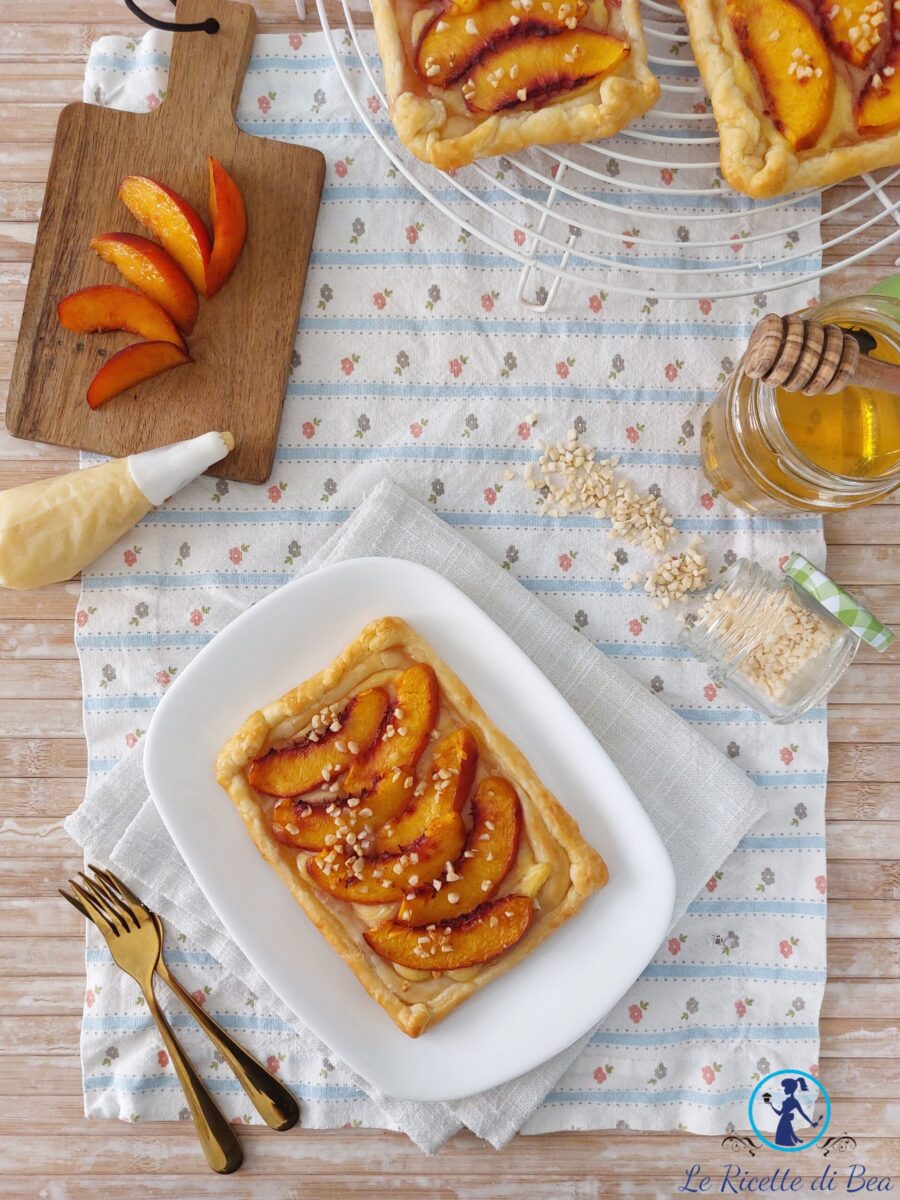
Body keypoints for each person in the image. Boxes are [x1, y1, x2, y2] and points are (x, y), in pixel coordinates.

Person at [766, 1077, 822, 1147]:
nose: (784, 1089)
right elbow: (780, 1113)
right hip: (783, 1121)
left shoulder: (794, 1102)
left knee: (784, 1140)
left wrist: (811, 1123)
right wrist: (771, 1105)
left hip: (784, 1121)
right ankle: (795, 1140)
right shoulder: (789, 1100)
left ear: (790, 1089)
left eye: (785, 1088)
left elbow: (802, 1113)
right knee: (785, 1139)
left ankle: (795, 1141)